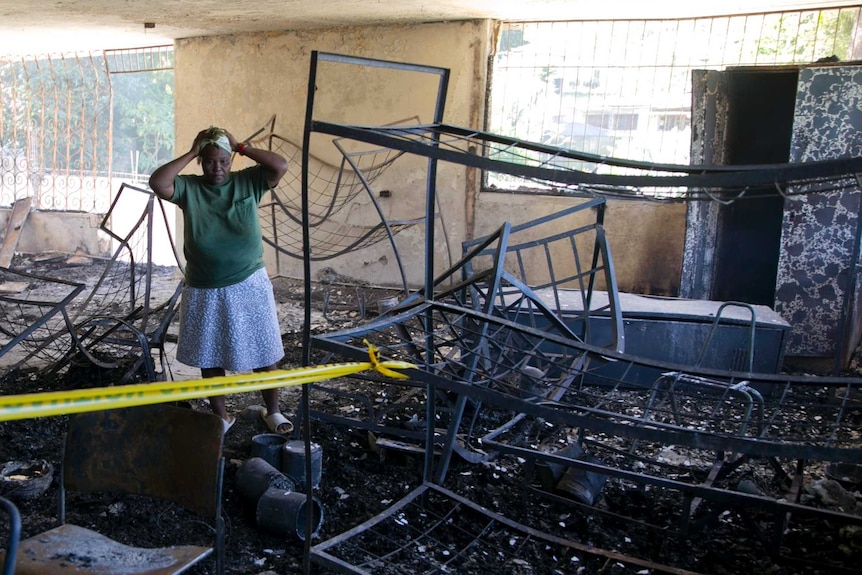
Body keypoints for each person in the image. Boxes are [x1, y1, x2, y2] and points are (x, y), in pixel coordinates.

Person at [149, 126, 292, 434]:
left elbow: (279, 165)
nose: (217, 168)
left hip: (249, 280)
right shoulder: (190, 188)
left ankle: (274, 411)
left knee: (264, 349)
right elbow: (158, 182)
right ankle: (221, 417)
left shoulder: (248, 181)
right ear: (202, 161)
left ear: (232, 161)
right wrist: (191, 151)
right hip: (205, 285)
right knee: (210, 353)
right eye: (210, 161)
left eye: (224, 161)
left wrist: (241, 146)